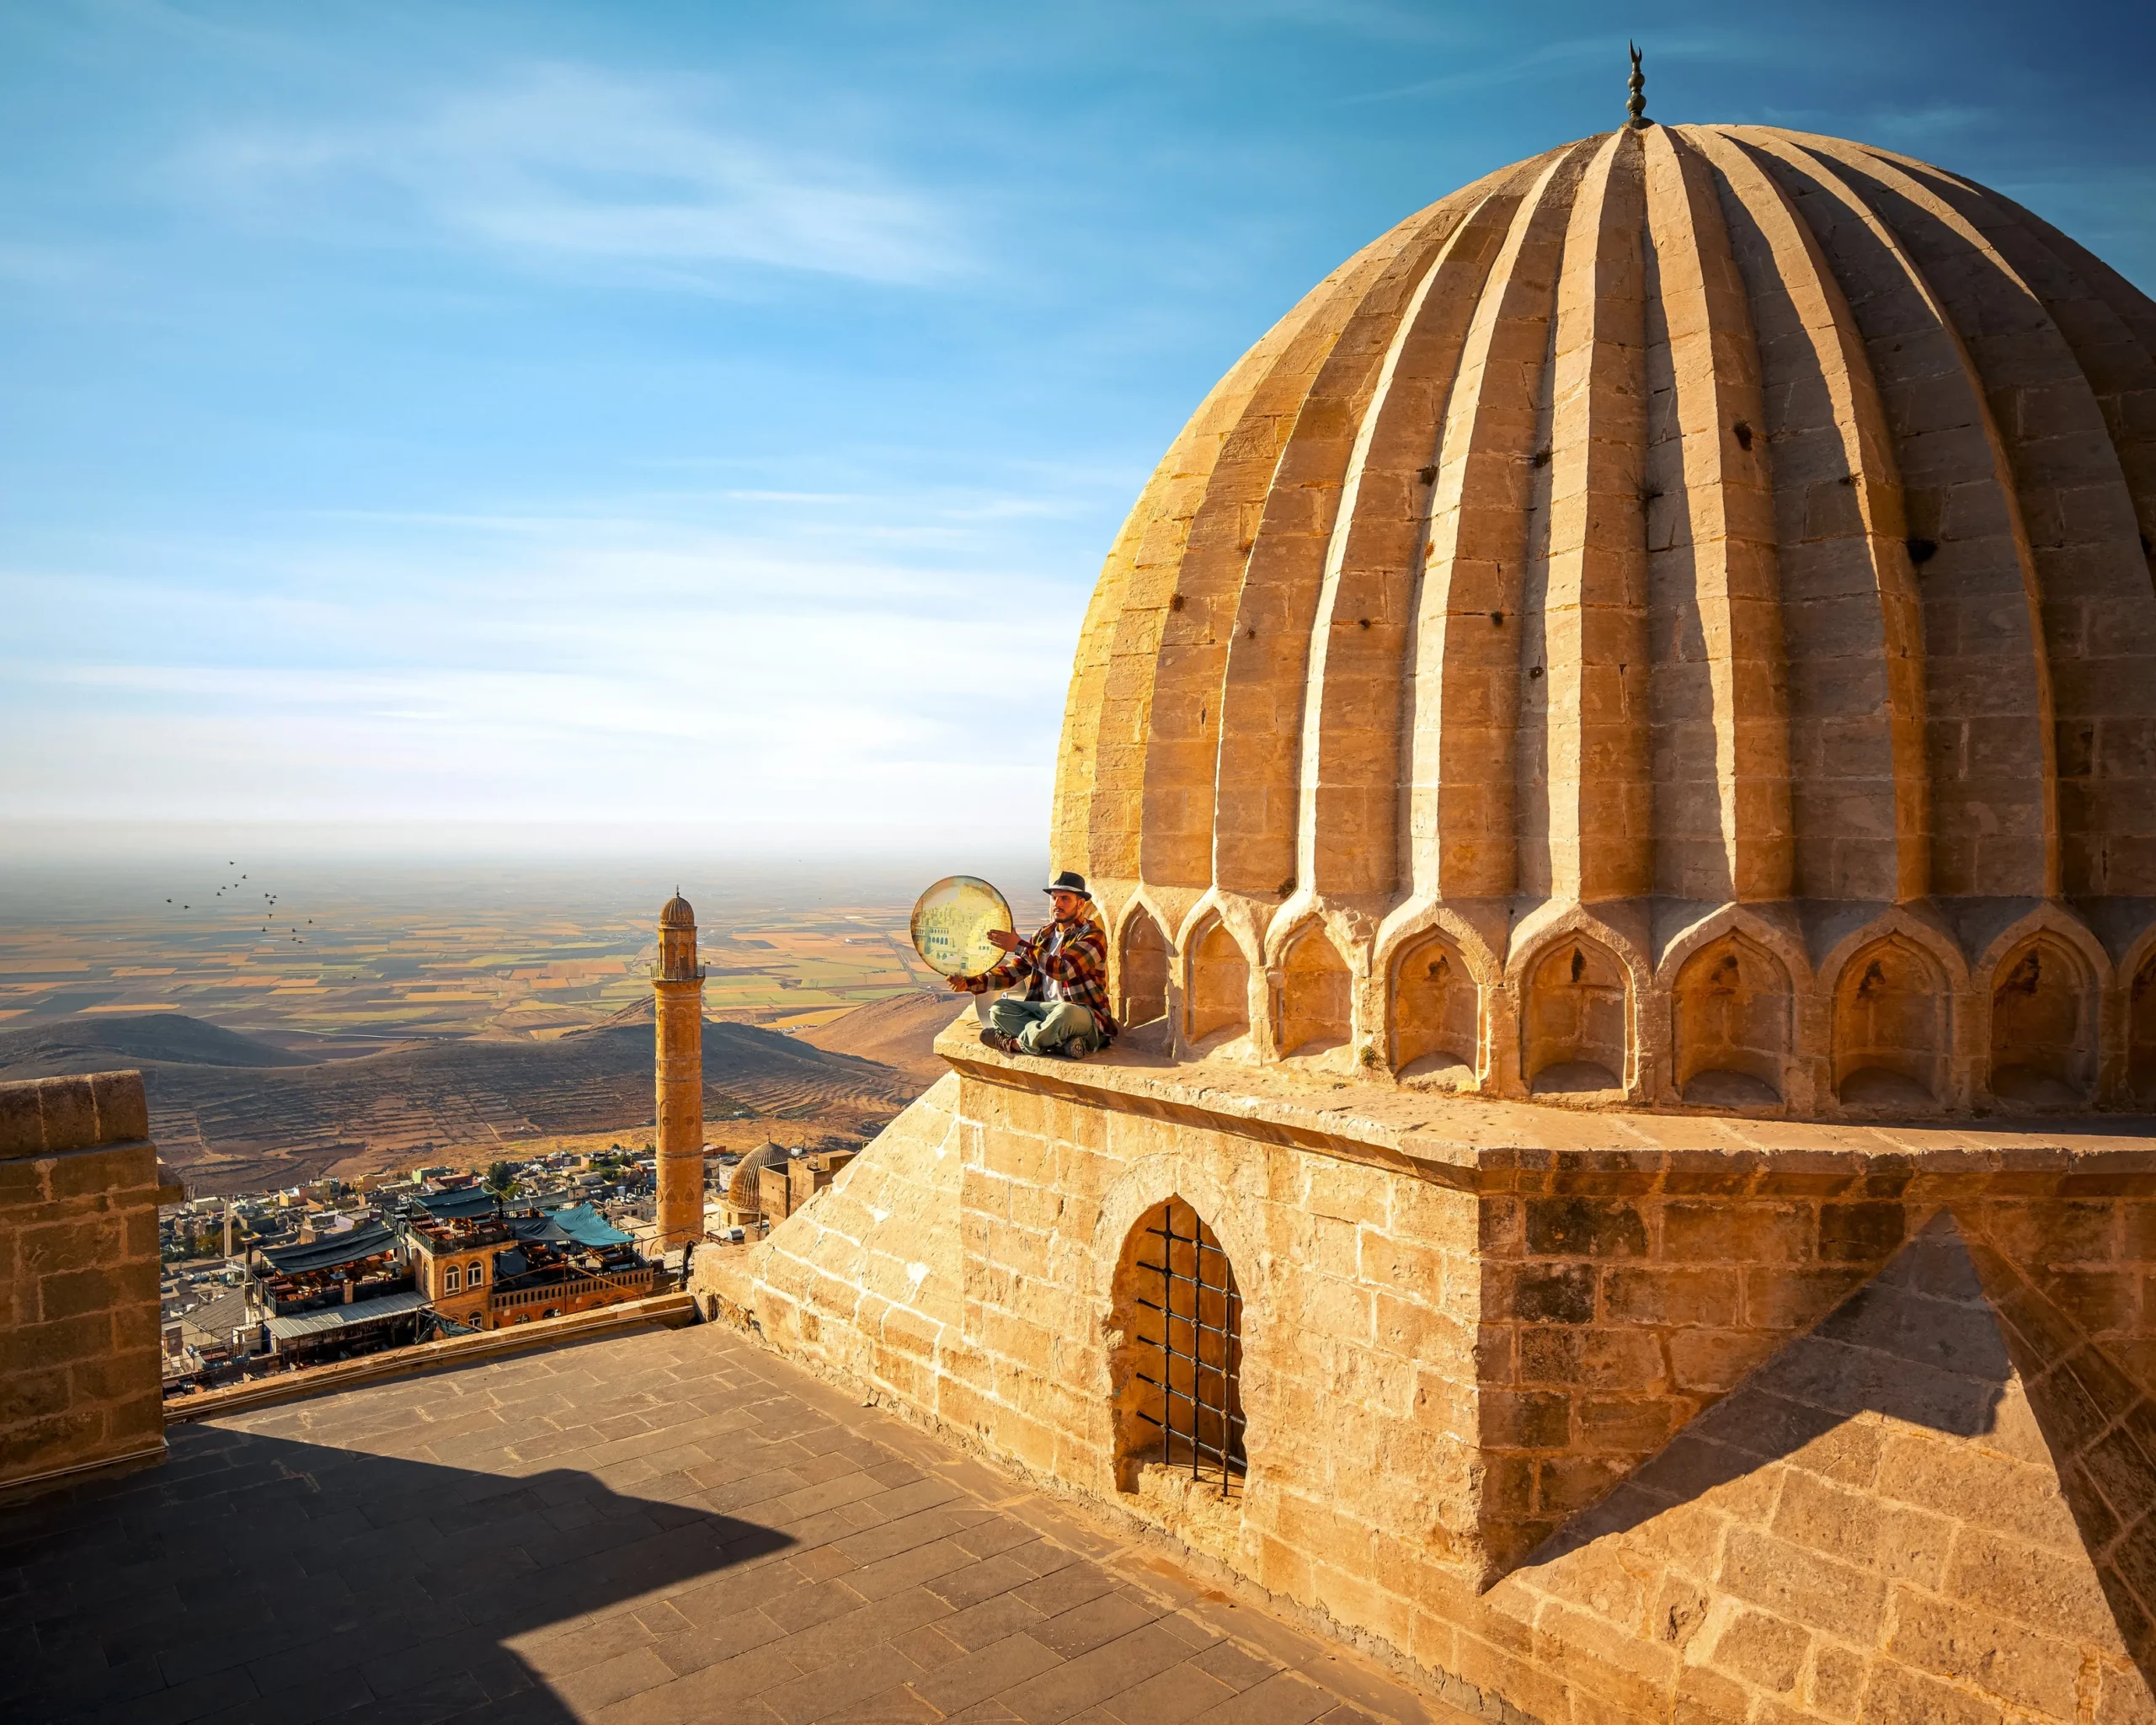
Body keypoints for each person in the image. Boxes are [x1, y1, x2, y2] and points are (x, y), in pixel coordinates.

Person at [947, 871, 1118, 1059]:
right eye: (1054, 898)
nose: (1057, 904)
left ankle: (1016, 1044)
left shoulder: (1093, 935)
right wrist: (971, 982)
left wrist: (1019, 946)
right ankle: (1061, 1045)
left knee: (1064, 1012)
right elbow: (1014, 971)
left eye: (1065, 899)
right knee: (998, 1010)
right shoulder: (1043, 935)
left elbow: (1064, 969)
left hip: (1082, 1014)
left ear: (1080, 903)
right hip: (1043, 1011)